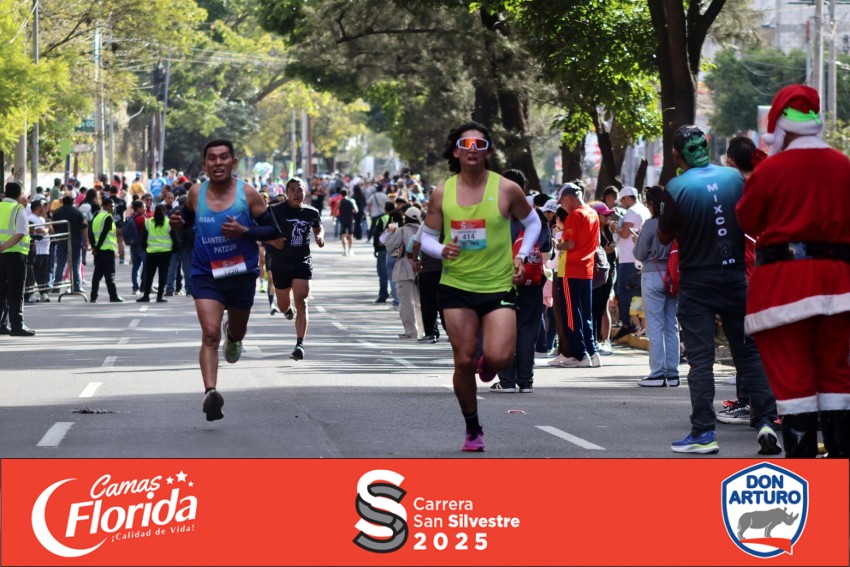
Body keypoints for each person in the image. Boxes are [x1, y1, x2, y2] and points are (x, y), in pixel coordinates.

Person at [737, 84, 850, 458]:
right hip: (840, 283)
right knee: (837, 374)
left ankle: (803, 467)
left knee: (793, 377)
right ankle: (841, 463)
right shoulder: (843, 165)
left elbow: (747, 219)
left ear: (779, 127)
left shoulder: (771, 170)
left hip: (785, 285)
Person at [658, 124, 780, 456]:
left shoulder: (676, 187)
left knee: (701, 361)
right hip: (736, 277)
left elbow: (665, 236)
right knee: (750, 353)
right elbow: (753, 221)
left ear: (677, 154)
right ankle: (766, 421)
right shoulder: (734, 179)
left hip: (697, 281)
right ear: (707, 147)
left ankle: (703, 433)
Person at [419, 122, 541, 451]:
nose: (472, 149)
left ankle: (488, 360)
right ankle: (473, 428)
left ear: (488, 151)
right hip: (456, 286)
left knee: (500, 358)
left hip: (498, 284)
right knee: (463, 362)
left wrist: (521, 254)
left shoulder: (506, 189)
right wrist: (440, 250)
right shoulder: (443, 192)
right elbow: (426, 237)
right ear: (456, 151)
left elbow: (533, 222)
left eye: (480, 144)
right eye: (466, 144)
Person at [169, 139, 282, 421]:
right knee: (209, 333)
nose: (218, 163)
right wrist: (177, 221)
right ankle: (211, 393)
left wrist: (244, 231)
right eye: (212, 158)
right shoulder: (196, 192)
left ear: (233, 162)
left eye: (223, 157)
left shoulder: (248, 195)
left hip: (241, 274)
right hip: (206, 273)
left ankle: (233, 336)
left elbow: (274, 231)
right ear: (204, 164)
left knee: (237, 331)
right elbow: (185, 217)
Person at [490, 169, 551, 393]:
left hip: (502, 280)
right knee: (527, 330)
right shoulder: (536, 215)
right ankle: (526, 381)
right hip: (531, 280)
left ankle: (507, 380)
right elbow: (546, 250)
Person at [267, 177, 325, 360]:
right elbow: (260, 231)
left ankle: (300, 344)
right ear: (286, 192)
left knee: (303, 301)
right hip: (281, 263)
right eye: (292, 190)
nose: (296, 193)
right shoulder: (275, 210)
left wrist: (320, 236)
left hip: (302, 261)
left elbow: (318, 228)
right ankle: (286, 310)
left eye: (299, 190)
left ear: (305, 192)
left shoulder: (311, 212)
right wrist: (273, 242)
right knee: (283, 304)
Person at [633, 185, 679, 387]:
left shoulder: (651, 224)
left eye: (647, 202)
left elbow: (639, 254)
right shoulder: (677, 223)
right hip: (673, 275)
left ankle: (657, 373)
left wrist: (637, 240)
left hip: (653, 275)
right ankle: (673, 374)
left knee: (655, 325)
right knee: (672, 325)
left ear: (652, 204)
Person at [553, 182, 602, 368]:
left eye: (562, 202)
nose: (562, 206)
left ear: (568, 198)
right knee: (586, 314)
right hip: (587, 269)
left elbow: (570, 244)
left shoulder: (575, 215)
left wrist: (558, 244)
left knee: (571, 315)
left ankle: (579, 355)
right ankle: (592, 352)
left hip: (570, 269)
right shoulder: (593, 213)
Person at [610, 187, 650, 340]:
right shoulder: (644, 210)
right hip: (639, 257)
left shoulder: (631, 212)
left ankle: (627, 324)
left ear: (627, 198)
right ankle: (638, 324)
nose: (621, 203)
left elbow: (625, 234)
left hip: (629, 259)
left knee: (624, 291)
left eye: (622, 200)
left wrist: (615, 227)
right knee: (638, 293)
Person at [0, 182, 35, 336]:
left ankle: (2, 324)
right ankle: (17, 326)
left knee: (1, 291)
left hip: (1, 255)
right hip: (15, 255)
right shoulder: (18, 209)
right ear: (20, 193)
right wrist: (4, 246)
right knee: (15, 292)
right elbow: (20, 233)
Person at [384, 206, 423, 339]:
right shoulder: (424, 230)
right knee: (420, 303)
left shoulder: (402, 231)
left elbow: (389, 247)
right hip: (421, 270)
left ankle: (411, 331)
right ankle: (422, 331)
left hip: (404, 270)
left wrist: (391, 232)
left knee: (406, 303)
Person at [89, 199, 124, 303]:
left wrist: (94, 247)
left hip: (98, 251)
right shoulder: (108, 217)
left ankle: (93, 297)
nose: (113, 208)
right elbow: (104, 234)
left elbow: (91, 234)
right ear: (104, 206)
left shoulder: (96, 217)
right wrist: (97, 247)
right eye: (111, 206)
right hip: (107, 250)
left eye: (113, 206)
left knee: (97, 275)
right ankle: (113, 296)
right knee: (110, 275)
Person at [51, 194, 87, 293]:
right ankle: (76, 286)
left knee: (60, 264)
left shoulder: (57, 212)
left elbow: (53, 225)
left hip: (61, 240)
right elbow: (84, 226)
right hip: (75, 241)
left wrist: (57, 235)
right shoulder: (77, 212)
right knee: (75, 264)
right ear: (73, 200)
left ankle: (56, 286)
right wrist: (86, 241)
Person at [137, 204, 172, 303]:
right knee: (162, 276)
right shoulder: (168, 222)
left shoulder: (148, 222)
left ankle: (146, 296)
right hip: (165, 253)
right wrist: (173, 249)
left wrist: (146, 249)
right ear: (164, 211)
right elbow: (174, 237)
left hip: (151, 253)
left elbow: (143, 238)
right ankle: (159, 296)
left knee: (149, 275)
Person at [337, 188, 358, 255]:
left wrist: (334, 218)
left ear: (341, 194)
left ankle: (345, 250)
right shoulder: (351, 201)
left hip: (342, 219)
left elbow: (335, 211)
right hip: (350, 219)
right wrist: (351, 211)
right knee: (350, 234)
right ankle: (350, 249)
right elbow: (356, 210)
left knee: (343, 234)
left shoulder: (339, 201)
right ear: (348, 193)